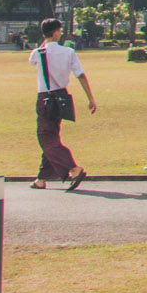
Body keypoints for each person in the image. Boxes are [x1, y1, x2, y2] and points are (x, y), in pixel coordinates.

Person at [28, 18, 96, 189]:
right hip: (62, 97)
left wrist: (46, 40)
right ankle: (41, 178)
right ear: (57, 32)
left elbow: (32, 62)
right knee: (52, 137)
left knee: (45, 137)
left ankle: (73, 168)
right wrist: (90, 98)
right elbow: (80, 75)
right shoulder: (68, 52)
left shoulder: (38, 53)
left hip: (45, 98)